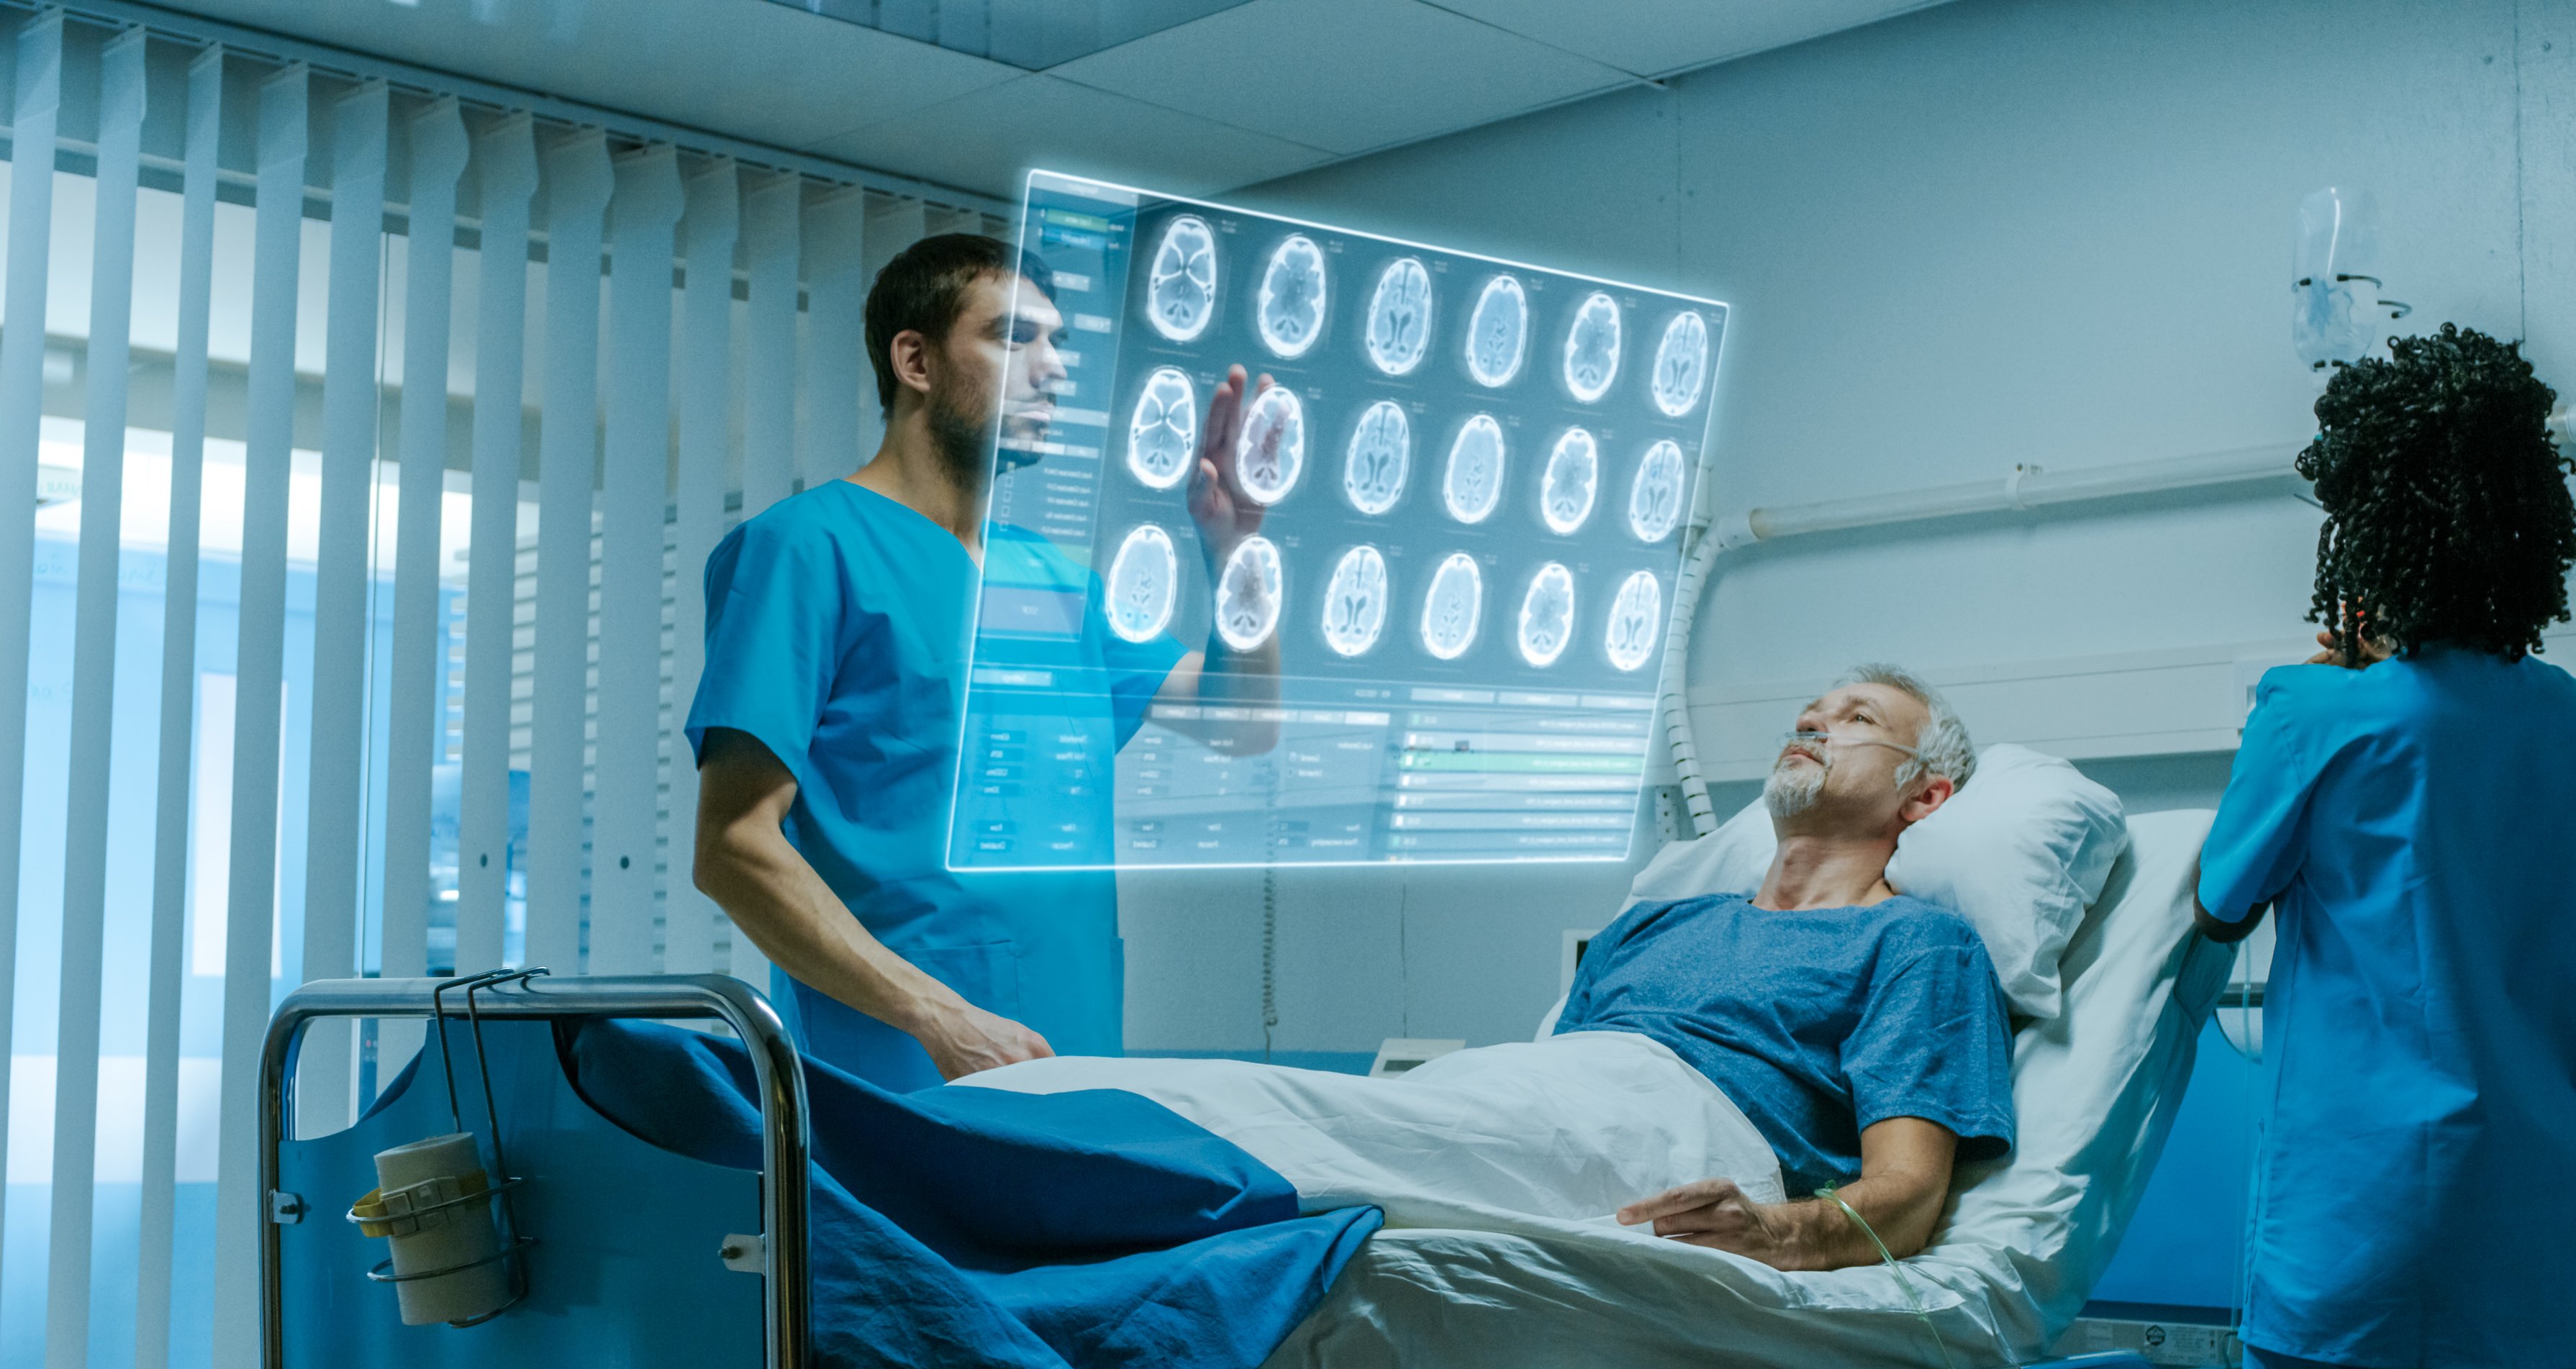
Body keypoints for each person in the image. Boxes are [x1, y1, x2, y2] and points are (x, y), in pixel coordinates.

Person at [969, 666, 2017, 1274]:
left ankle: (1003, 1138)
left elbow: (1907, 1195)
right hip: (1546, 1094)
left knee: (1288, 1127)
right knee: (1365, 1120)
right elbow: (1533, 1109)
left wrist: (1775, 1231)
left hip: (1689, 1135)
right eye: (1811, 711)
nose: (1814, 723)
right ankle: (1012, 1137)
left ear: (1924, 798)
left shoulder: (1918, 945)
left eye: (1857, 720)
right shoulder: (1656, 924)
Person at [2192, 326, 2576, 1369]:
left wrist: (2329, 684)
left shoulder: (2314, 713)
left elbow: (2220, 902)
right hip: (2548, 1230)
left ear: (2366, 526)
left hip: (2368, 1228)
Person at [689, 235, 1281, 1090]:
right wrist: (940, 1016)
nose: (1054, 368)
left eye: (1058, 343)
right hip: (899, 1072)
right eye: (1013, 337)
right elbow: (734, 847)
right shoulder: (806, 550)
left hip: (1074, 1055)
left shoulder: (1057, 582)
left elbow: (1244, 723)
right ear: (916, 362)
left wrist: (1236, 553)